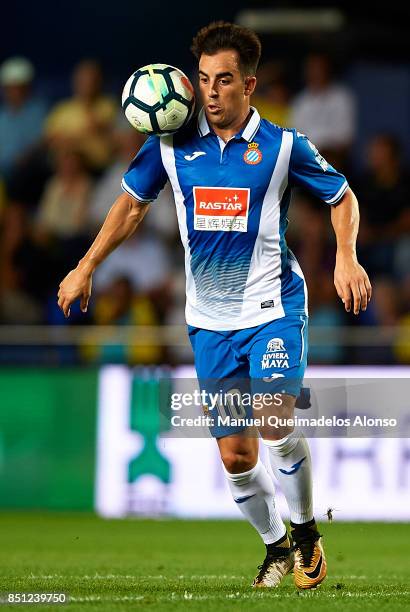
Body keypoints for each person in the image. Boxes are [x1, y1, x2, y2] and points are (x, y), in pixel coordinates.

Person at [57, 21, 371, 590]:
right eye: (203, 80)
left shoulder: (283, 147)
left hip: (274, 307)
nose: (211, 92)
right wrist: (86, 266)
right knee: (235, 458)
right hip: (209, 323)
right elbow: (129, 207)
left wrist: (345, 257)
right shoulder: (171, 146)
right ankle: (276, 546)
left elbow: (342, 196)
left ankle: (305, 536)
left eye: (223, 81)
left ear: (249, 86)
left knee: (275, 418)